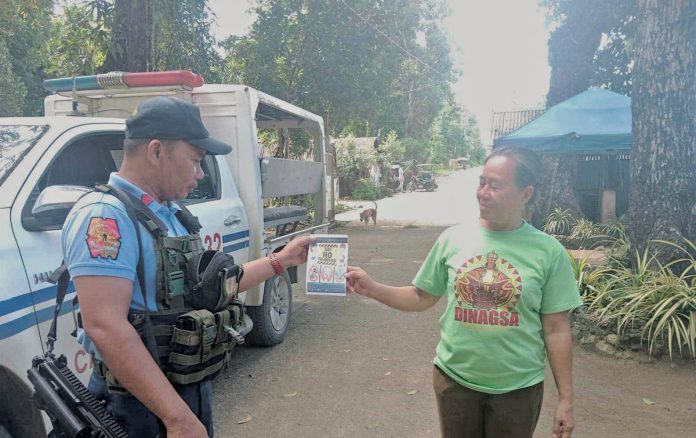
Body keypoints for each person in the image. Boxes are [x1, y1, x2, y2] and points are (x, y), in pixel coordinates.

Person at [62, 96, 312, 437]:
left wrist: (282, 260)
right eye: (195, 161)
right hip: (138, 405)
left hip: (183, 391)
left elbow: (215, 285)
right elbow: (104, 325)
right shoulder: (106, 217)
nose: (199, 174)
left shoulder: (172, 216)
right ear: (156, 151)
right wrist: (177, 418)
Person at [345, 146, 581, 438]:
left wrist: (566, 401)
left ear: (526, 194)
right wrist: (372, 288)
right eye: (482, 182)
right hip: (454, 382)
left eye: (495, 186)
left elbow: (556, 329)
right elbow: (421, 297)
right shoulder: (453, 239)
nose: (483, 192)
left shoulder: (549, 252)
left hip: (517, 390)